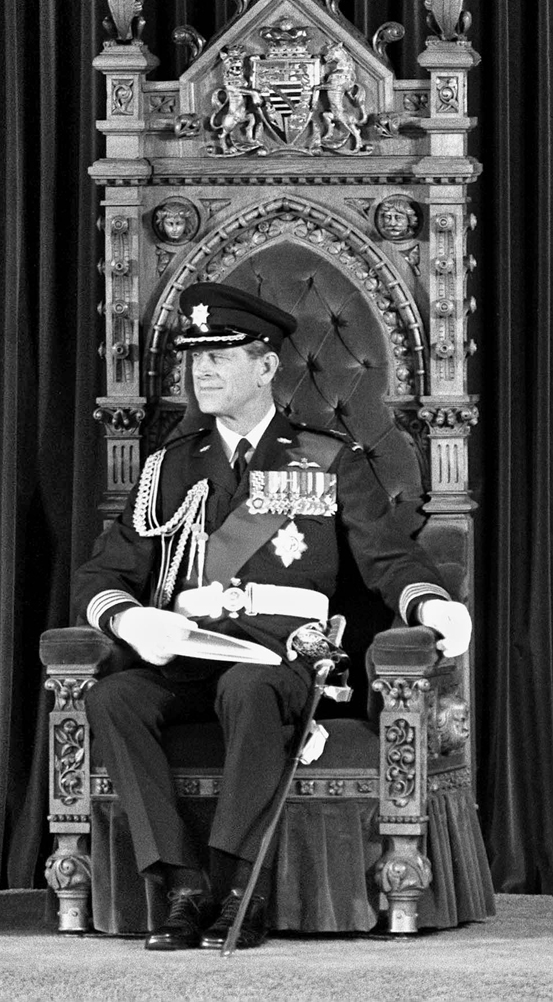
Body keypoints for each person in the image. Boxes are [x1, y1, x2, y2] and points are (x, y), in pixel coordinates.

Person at [73, 282, 471, 952]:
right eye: (194, 354)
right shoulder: (170, 466)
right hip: (193, 650)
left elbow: (387, 557)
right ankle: (183, 886)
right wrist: (132, 621)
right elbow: (103, 575)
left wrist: (430, 603)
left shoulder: (325, 458)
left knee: (248, 688)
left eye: (221, 353)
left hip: (279, 659)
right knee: (114, 697)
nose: (201, 369)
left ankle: (238, 890)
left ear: (265, 367)